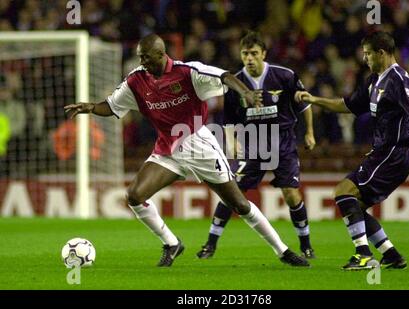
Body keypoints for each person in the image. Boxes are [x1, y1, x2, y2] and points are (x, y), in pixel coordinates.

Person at [64, 34, 309, 267]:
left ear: (161, 54)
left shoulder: (188, 72)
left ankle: (283, 251)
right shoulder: (136, 80)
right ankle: (171, 244)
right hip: (167, 149)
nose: (142, 62)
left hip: (200, 145)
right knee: (135, 196)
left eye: (146, 57)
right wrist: (91, 108)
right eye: (140, 57)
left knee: (239, 205)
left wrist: (245, 92)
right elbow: (112, 105)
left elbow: (224, 76)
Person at [298, 31, 409, 270]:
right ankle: (391, 254)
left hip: (393, 152)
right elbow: (349, 105)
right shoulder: (374, 80)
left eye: (368, 54)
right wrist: (314, 99)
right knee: (355, 205)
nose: (364, 59)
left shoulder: (397, 78)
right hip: (383, 152)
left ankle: (363, 255)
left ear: (381, 53)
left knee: (344, 192)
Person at [197, 31, 317, 259]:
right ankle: (210, 244)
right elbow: (229, 120)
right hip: (252, 143)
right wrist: (232, 144)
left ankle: (306, 245)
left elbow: (304, 105)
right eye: (245, 54)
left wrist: (310, 133)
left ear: (264, 53)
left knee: (291, 195)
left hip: (282, 143)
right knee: (232, 192)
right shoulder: (236, 83)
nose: (249, 58)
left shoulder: (284, 76)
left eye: (253, 53)